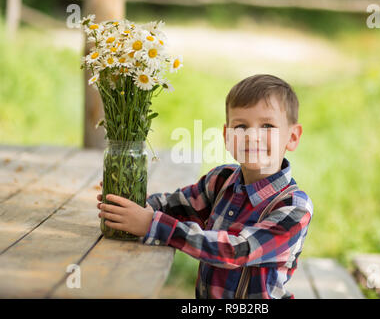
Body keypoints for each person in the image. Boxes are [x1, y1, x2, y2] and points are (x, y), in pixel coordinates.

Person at [96, 74, 314, 299]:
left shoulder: (294, 207)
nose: (252, 136)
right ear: (227, 136)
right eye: (241, 126)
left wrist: (152, 224)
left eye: (267, 125)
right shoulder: (222, 179)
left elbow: (235, 251)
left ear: (292, 137)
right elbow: (175, 205)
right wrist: (129, 202)